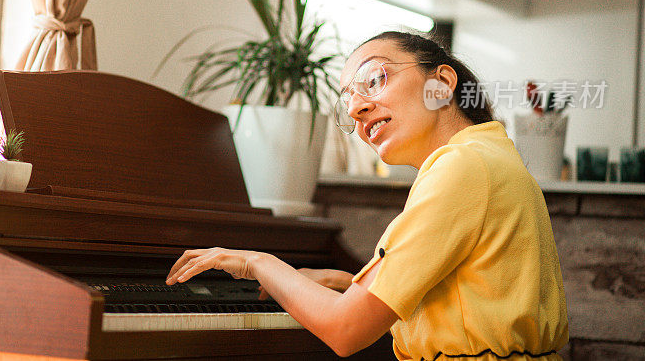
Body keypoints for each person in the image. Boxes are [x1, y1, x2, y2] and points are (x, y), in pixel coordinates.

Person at [166, 31, 569, 360]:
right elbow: (473, 301)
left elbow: (344, 331)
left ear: (442, 84)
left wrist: (258, 261)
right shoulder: (488, 156)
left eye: (374, 80)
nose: (356, 109)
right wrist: (347, 282)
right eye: (347, 100)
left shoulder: (462, 168)